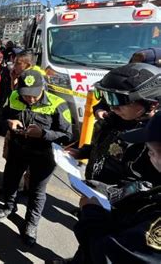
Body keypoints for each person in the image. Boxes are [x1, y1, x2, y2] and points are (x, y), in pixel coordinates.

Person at [63, 112, 161, 264]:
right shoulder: (114, 121)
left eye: (153, 151)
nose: (149, 155)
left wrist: (91, 213)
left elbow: (108, 255)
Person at [0, 69, 72, 246]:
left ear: (42, 88)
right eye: (26, 95)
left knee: (37, 191)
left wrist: (43, 134)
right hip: (17, 150)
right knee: (10, 180)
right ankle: (9, 206)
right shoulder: (14, 96)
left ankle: (31, 225)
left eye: (34, 95)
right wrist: (8, 122)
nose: (30, 99)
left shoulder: (58, 103)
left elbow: (66, 136)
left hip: (43, 155)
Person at [68, 63, 161, 186]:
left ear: (152, 104)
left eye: (119, 100)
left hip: (121, 201)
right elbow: (105, 147)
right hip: (94, 189)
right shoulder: (116, 119)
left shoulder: (154, 138)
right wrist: (82, 152)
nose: (112, 107)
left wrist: (107, 192)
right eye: (108, 98)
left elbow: (150, 186)